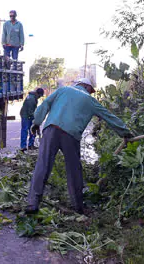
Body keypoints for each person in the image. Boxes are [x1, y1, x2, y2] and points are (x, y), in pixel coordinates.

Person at [26, 78, 133, 215]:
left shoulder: (62, 90)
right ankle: (78, 206)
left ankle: (32, 203)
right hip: (70, 135)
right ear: (87, 87)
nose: (91, 92)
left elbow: (45, 104)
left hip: (50, 129)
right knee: (74, 170)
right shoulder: (90, 100)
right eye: (91, 90)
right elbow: (109, 117)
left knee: (43, 165)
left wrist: (36, 122)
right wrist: (125, 133)